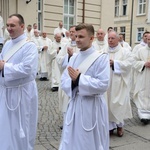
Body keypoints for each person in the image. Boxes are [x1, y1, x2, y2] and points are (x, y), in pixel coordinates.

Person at [59, 23, 110, 150]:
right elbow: (64, 80)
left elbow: (103, 84)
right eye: (76, 36)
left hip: (92, 107)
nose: (77, 40)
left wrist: (79, 79)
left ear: (91, 38)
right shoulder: (74, 58)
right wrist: (73, 82)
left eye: (81, 37)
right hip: (75, 104)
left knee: (88, 141)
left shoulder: (101, 58)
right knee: (71, 139)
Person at [0, 14, 38, 150]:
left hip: (22, 94)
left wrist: (5, 67)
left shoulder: (29, 46)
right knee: (6, 127)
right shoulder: (7, 44)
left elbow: (28, 69)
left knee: (21, 128)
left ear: (22, 26)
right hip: (6, 93)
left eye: (12, 25)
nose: (9, 28)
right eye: (8, 25)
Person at [104, 31, 133, 137]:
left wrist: (115, 63)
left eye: (112, 38)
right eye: (109, 38)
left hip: (119, 82)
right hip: (107, 81)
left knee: (118, 104)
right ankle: (110, 127)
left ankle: (120, 126)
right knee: (107, 104)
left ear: (117, 39)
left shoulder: (125, 52)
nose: (110, 40)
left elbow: (129, 64)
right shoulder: (103, 51)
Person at [133, 33, 150, 125]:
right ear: (146, 40)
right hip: (143, 77)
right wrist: (143, 64)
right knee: (142, 93)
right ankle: (143, 115)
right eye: (149, 39)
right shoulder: (140, 50)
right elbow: (134, 62)